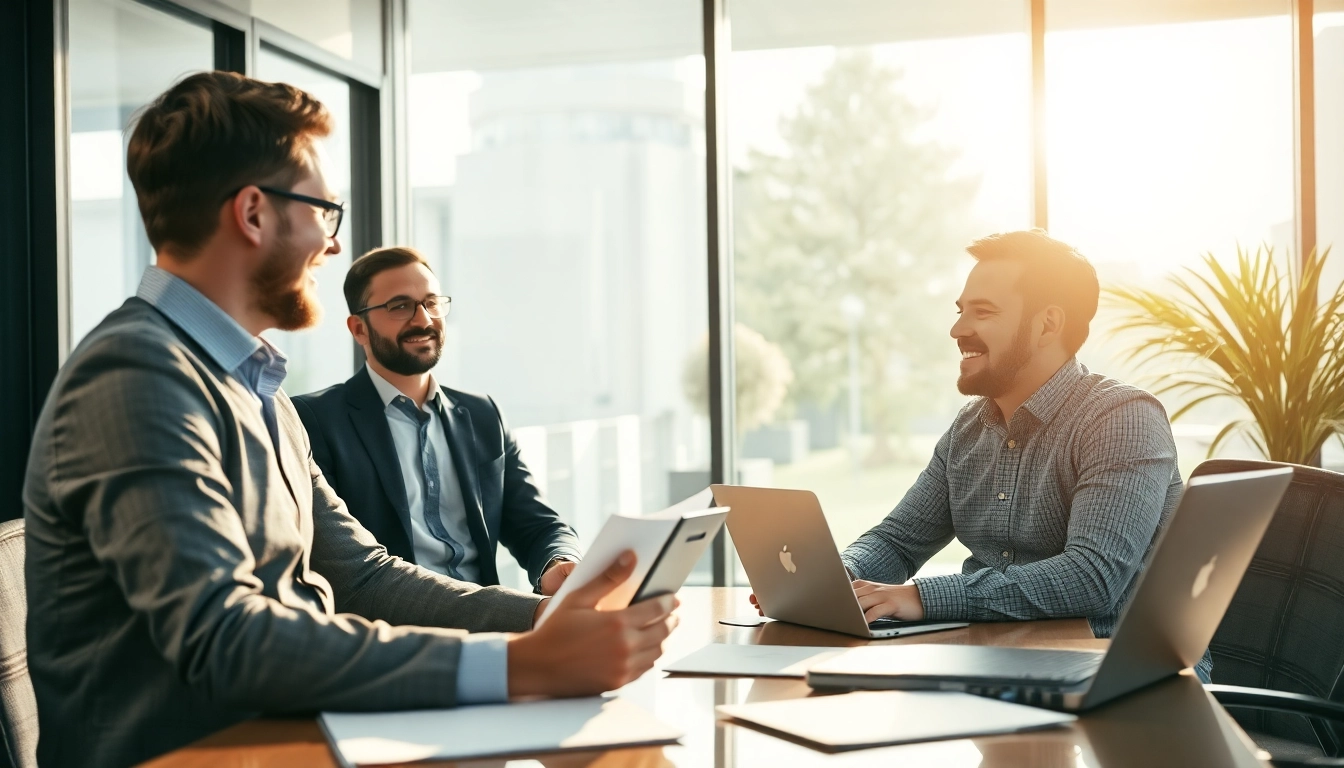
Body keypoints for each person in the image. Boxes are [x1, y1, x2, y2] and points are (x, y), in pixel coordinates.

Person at [23, 71, 676, 768]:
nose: (332, 244)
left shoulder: (258, 386)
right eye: (324, 212)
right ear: (253, 213)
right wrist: (519, 667)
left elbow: (363, 578)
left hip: (293, 737)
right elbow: (226, 638)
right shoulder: (134, 377)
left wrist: (549, 623)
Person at [753, 230, 1205, 677]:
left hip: (1121, 673)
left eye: (982, 313)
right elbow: (898, 540)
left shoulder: (1121, 419)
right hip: (1001, 661)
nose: (957, 330)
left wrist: (920, 598)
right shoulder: (969, 428)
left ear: (1048, 324)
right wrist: (837, 581)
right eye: (959, 312)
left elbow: (1091, 578)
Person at [293, 246, 581, 595]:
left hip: (495, 622)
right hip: (397, 631)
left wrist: (558, 562)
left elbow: (536, 523)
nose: (424, 320)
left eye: (431, 303)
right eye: (400, 306)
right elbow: (344, 566)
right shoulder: (314, 421)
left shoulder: (482, 414)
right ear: (359, 329)